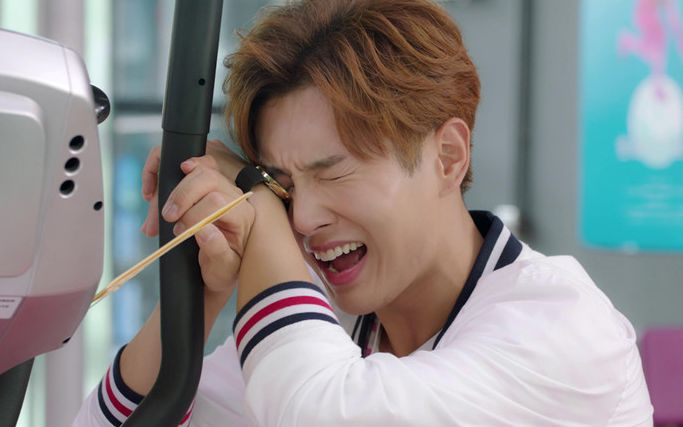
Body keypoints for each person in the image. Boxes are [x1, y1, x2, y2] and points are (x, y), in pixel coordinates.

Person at [74, 0, 653, 425]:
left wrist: (259, 206)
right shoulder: (336, 325)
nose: (302, 219)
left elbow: (318, 413)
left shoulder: (563, 326)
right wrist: (197, 296)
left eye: (333, 172)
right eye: (283, 184)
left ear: (448, 157)